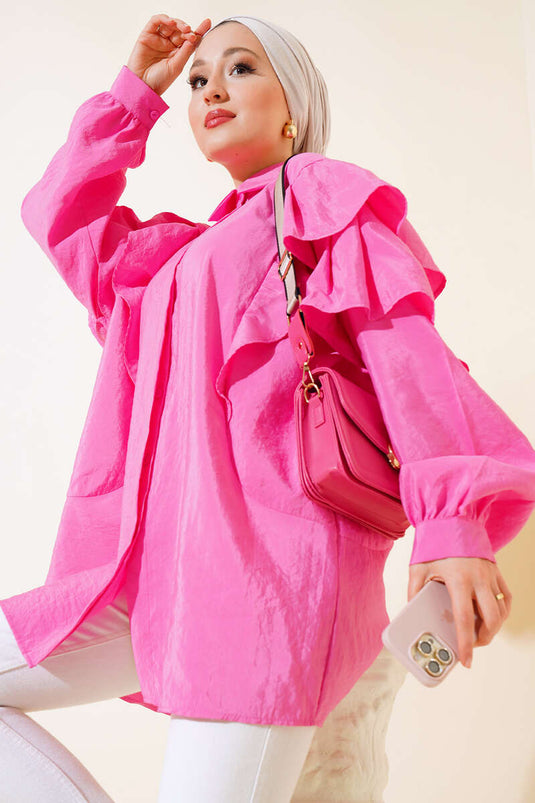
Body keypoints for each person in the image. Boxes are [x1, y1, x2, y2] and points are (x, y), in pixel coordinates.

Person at [1, 12, 535, 802]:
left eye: (241, 68)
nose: (211, 89)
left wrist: (451, 520)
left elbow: (406, 354)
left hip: (266, 593)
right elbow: (60, 215)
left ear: (294, 109)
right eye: (198, 80)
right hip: (157, 586)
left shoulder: (316, 192)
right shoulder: (173, 261)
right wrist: (135, 93)